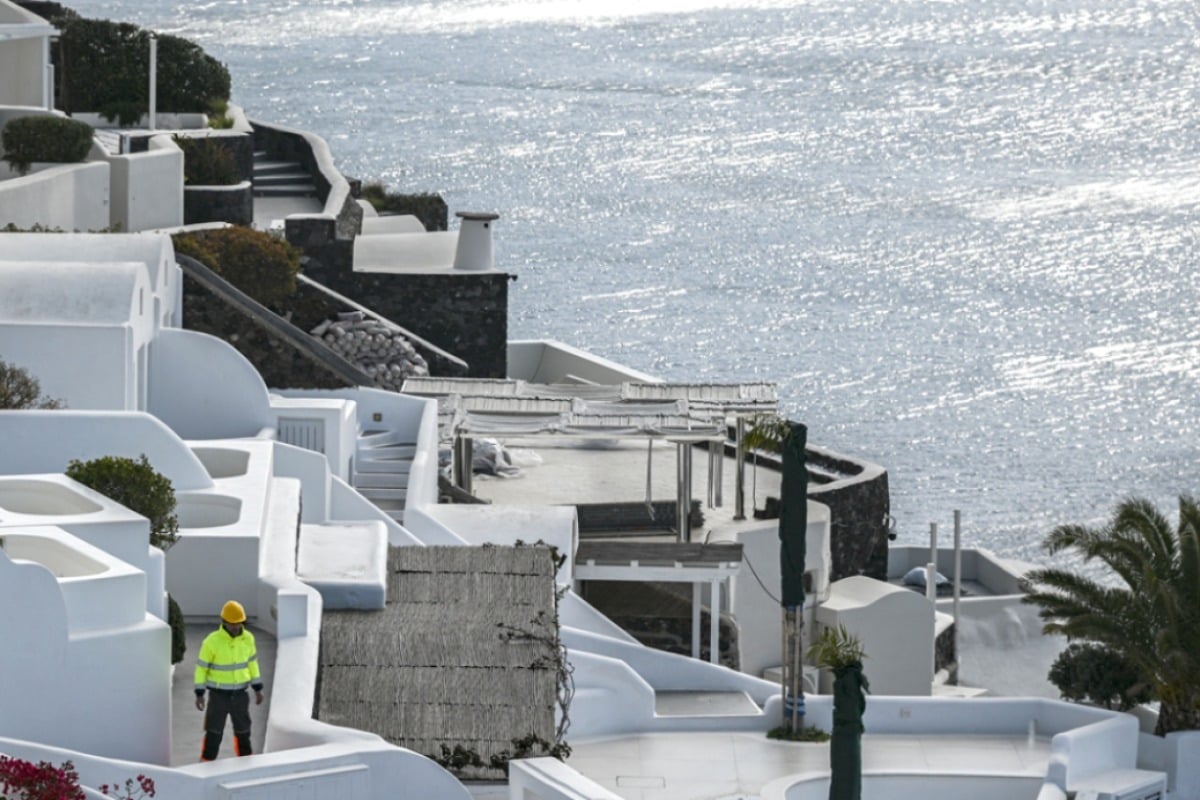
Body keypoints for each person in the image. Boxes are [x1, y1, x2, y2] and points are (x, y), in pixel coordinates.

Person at [194, 600, 264, 761]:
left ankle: (245, 765)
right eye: (232, 623)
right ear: (224, 621)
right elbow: (201, 668)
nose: (236, 627)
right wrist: (199, 693)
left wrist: (257, 688)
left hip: (240, 695)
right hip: (218, 696)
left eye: (239, 623)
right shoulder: (211, 641)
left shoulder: (248, 639)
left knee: (243, 732)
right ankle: (205, 766)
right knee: (214, 732)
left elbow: (252, 663)